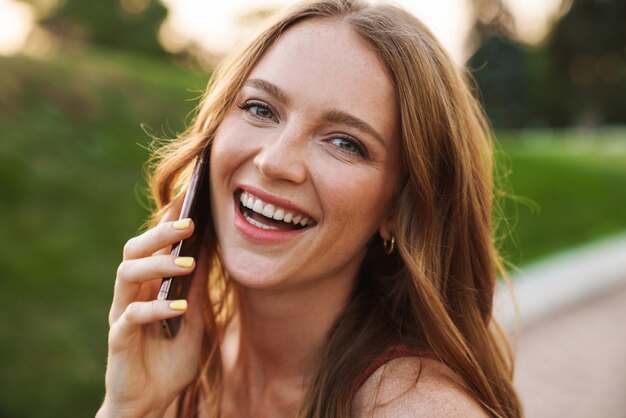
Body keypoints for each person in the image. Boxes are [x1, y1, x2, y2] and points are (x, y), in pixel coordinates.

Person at [96, 0, 523, 417]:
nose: (275, 162)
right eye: (260, 108)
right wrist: (128, 409)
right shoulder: (178, 367)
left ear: (400, 206)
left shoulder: (415, 408)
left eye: (344, 142)